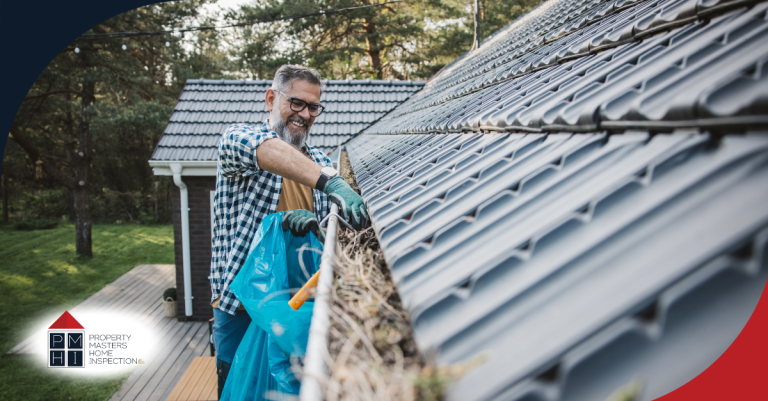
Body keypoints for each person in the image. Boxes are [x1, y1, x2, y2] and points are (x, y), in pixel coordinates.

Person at [209, 65, 369, 397]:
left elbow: (329, 242)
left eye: (313, 107)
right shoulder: (238, 142)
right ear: (271, 99)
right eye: (296, 102)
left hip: (295, 312)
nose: (305, 114)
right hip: (240, 309)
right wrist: (331, 182)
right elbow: (264, 148)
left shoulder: (321, 162)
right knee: (238, 390)